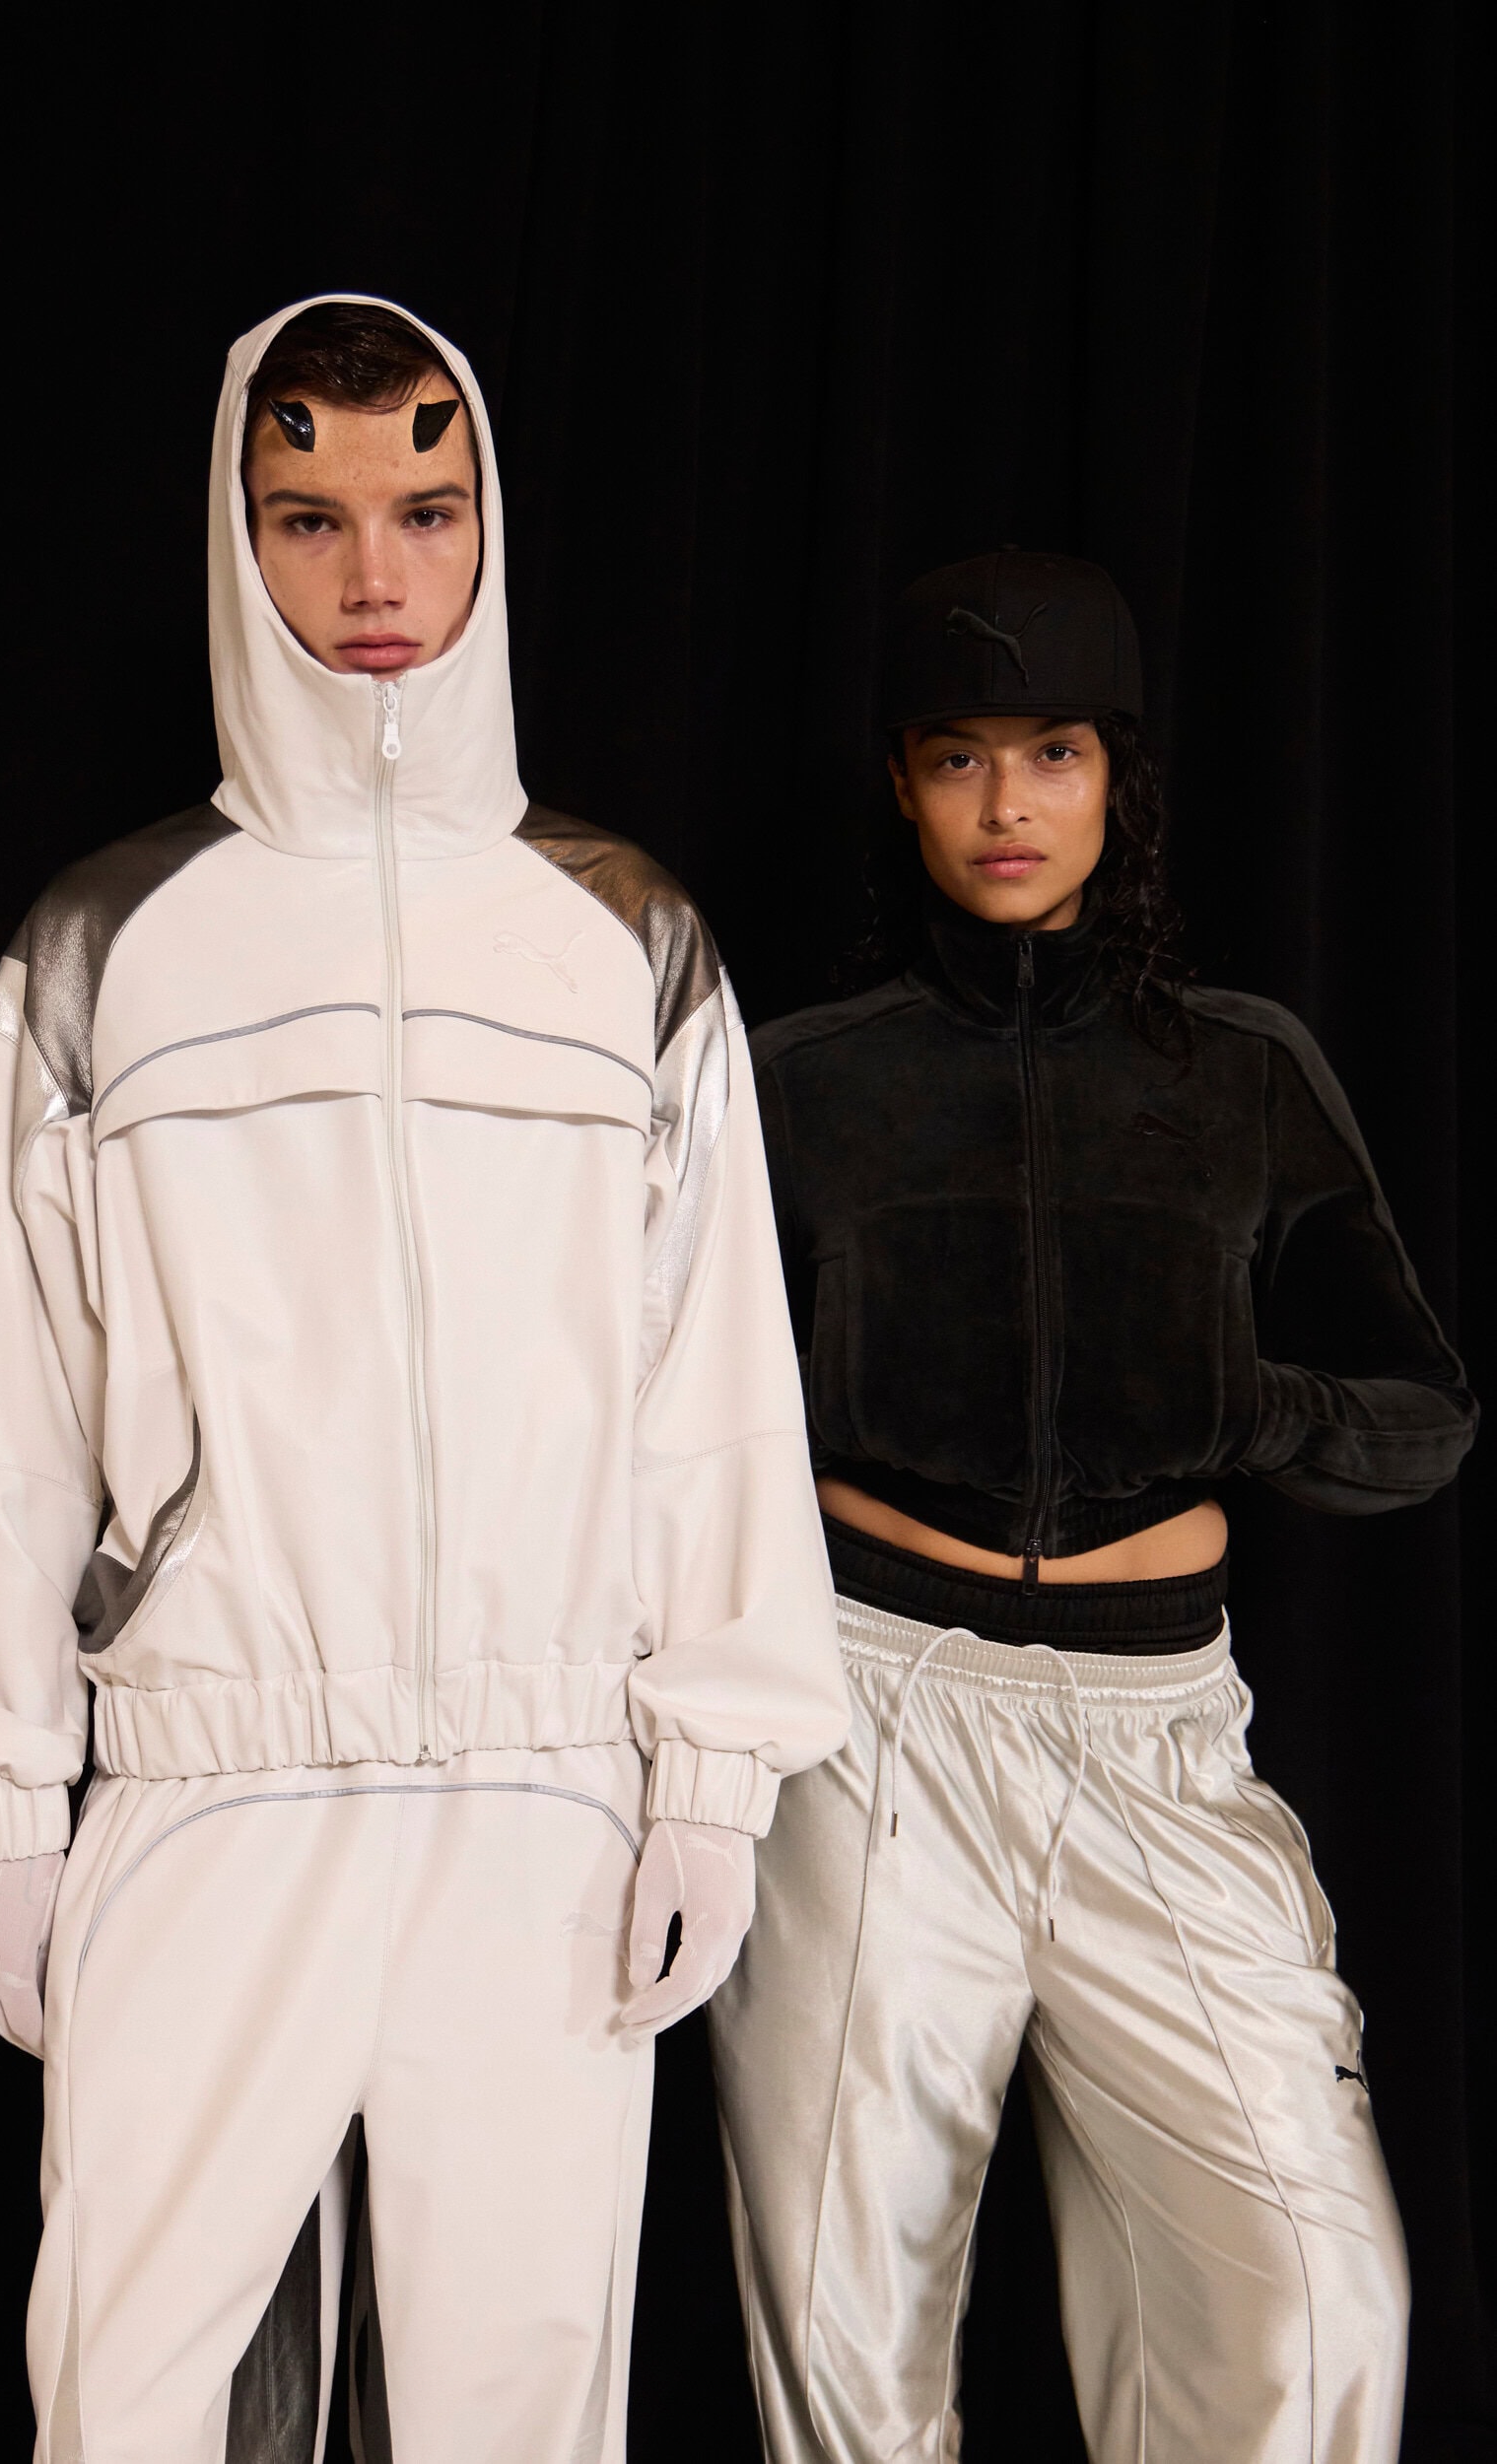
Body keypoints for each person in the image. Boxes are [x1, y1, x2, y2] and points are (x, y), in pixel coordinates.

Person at [0, 293, 847, 2464]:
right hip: (214, 1782)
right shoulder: (112, 941)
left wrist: (715, 1772)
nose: (374, 574)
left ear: (492, 522)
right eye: (308, 517)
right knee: (133, 2395)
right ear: (237, 535)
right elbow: (3, 1401)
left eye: (427, 507)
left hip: (541, 1795)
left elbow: (714, 1386)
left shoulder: (621, 938)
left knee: (514, 2403)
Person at [707, 549, 1476, 2464]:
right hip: (870, 1721)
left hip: (1157, 1736)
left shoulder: (1243, 1071)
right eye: (958, 755)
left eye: (1050, 752)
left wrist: (1247, 1403)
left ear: (1116, 774)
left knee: (1314, 2302)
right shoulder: (801, 1084)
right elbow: (672, 1421)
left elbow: (1424, 1415)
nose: (1007, 804)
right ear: (903, 782)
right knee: (846, 2331)